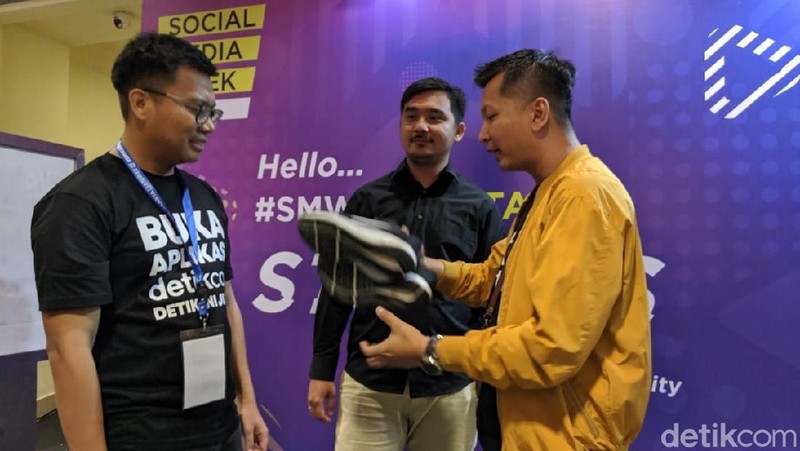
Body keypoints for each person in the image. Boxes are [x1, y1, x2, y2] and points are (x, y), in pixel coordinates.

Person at [359, 49, 652, 450]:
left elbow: (551, 348)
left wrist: (431, 349)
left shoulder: (583, 195)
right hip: (528, 428)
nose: (483, 135)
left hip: (566, 437)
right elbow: (493, 278)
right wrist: (423, 266)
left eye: (492, 116)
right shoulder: (549, 192)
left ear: (538, 113)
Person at [31, 33, 268, 451]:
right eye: (197, 109)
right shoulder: (80, 203)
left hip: (220, 428)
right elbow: (69, 349)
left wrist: (246, 401)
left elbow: (225, 300)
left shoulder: (204, 196)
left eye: (213, 111)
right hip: (140, 437)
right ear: (140, 103)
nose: (209, 125)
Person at [307, 77, 506, 450]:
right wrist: (322, 369)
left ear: (459, 130)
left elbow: (491, 296)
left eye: (434, 117)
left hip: (449, 386)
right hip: (371, 383)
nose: (421, 126)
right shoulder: (367, 200)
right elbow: (337, 289)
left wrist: (482, 373)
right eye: (411, 116)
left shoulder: (479, 207)